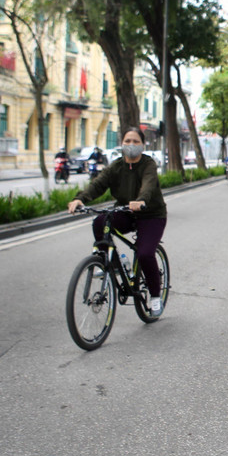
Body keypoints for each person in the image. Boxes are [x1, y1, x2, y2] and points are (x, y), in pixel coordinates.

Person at [67, 127, 168, 317]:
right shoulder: (116, 166)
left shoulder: (148, 164)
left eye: (135, 142)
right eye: (127, 141)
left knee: (145, 254)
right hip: (126, 211)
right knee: (100, 222)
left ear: (142, 145)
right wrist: (80, 199)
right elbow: (98, 184)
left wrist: (141, 200)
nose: (131, 145)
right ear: (122, 143)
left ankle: (155, 296)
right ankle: (109, 264)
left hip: (151, 214)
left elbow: (148, 184)